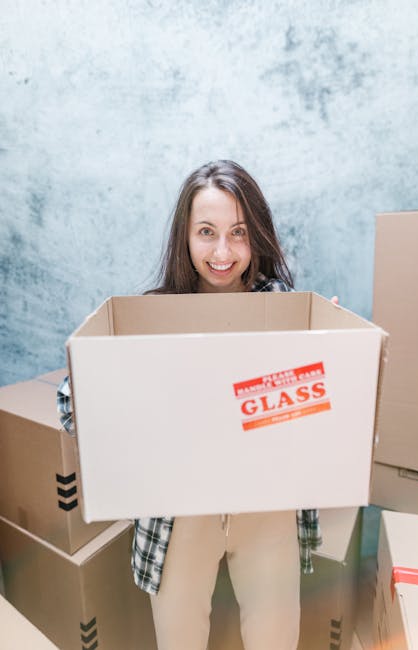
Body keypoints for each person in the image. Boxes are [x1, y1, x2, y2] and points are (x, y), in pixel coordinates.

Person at [57, 160, 322, 650]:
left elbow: (328, 393)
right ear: (185, 236)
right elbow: (71, 404)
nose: (223, 252)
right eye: (206, 232)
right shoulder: (152, 314)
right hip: (180, 513)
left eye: (238, 233)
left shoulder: (287, 309)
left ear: (256, 236)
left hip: (266, 507)